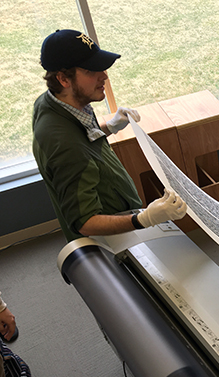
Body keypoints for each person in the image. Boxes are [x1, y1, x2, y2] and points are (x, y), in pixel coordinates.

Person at [32, 29, 186, 242]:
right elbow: (85, 222)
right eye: (91, 70)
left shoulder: (58, 102)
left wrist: (109, 126)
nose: (104, 75)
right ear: (63, 79)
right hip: (110, 237)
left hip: (119, 214)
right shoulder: (64, 145)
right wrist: (143, 219)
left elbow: (82, 139)